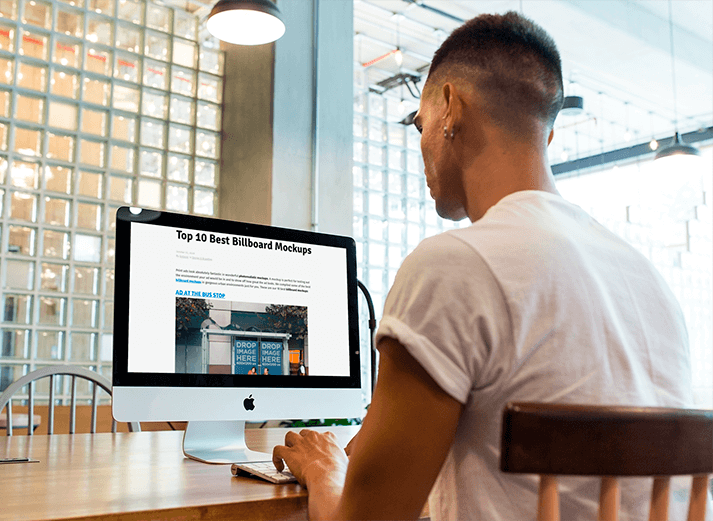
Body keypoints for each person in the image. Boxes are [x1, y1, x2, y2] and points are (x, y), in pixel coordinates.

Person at [272, 11, 698, 521]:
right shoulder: (650, 283)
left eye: (419, 124)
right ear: (548, 137)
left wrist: (324, 470)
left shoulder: (450, 267)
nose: (422, 145)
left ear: (450, 107)